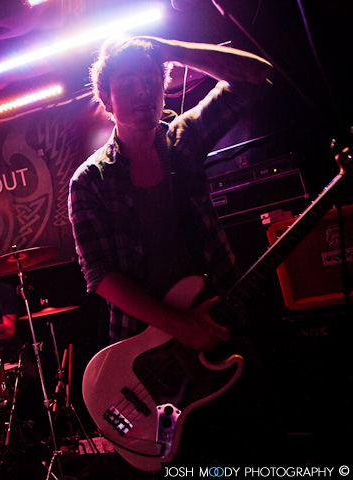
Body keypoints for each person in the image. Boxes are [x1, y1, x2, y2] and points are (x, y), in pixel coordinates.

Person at [68, 36, 274, 468]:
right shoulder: (89, 181)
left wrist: (169, 49)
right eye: (128, 83)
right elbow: (99, 275)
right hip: (149, 362)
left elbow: (257, 75)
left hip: (223, 325)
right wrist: (182, 327)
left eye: (151, 79)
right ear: (106, 99)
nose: (143, 91)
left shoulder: (184, 139)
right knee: (183, 464)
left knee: (254, 449)